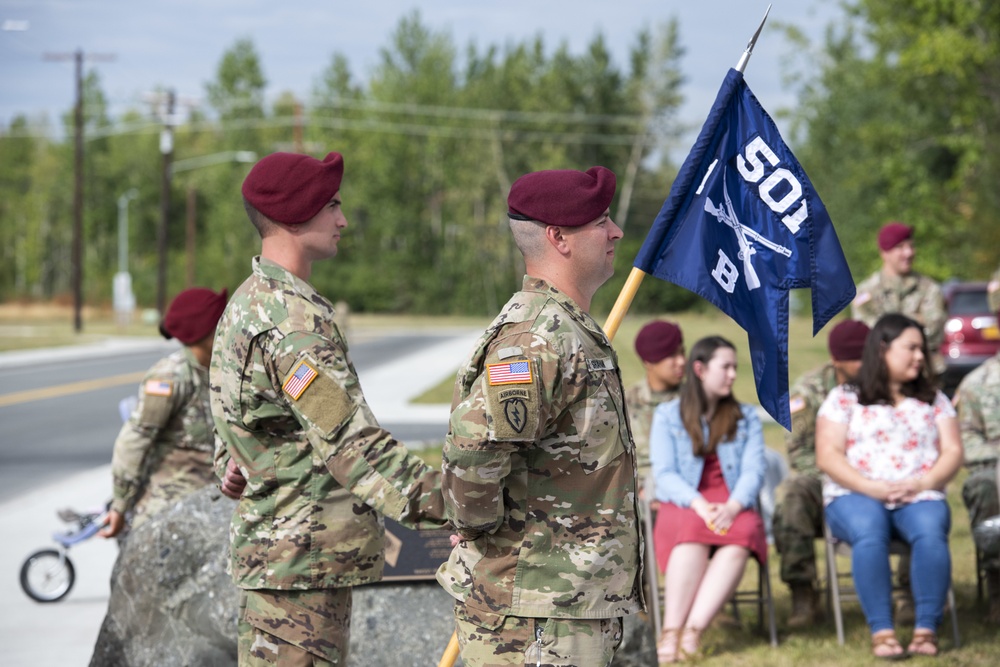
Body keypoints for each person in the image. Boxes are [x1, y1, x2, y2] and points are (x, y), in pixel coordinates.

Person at [211, 151, 448, 666]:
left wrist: (233, 464)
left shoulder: (248, 302)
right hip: (302, 565)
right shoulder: (292, 324)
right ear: (298, 215)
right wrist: (453, 502)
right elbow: (351, 445)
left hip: (282, 560)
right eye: (332, 206)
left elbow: (236, 421)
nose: (342, 220)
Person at [436, 166, 643, 667]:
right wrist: (478, 524)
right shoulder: (537, 338)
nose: (615, 232)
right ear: (559, 238)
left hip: (561, 602)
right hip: (536, 611)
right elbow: (473, 448)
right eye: (602, 221)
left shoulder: (564, 328)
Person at [816, 313, 963, 659]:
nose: (919, 357)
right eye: (911, 348)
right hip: (855, 494)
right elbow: (828, 455)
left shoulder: (934, 399)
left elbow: (953, 450)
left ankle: (926, 628)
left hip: (920, 493)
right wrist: (873, 488)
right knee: (869, 529)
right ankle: (882, 630)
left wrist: (924, 482)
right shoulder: (845, 397)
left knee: (929, 528)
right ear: (883, 349)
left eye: (922, 350)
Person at [649, 335, 767, 663]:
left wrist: (732, 506)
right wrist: (699, 504)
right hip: (687, 501)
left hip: (731, 502)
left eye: (735, 368)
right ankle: (671, 631)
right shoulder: (668, 415)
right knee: (690, 532)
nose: (732, 374)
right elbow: (665, 473)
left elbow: (753, 471)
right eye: (725, 367)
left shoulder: (746, 417)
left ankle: (693, 631)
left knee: (742, 534)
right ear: (700, 369)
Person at [99, 287, 228, 539]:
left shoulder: (221, 369)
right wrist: (120, 505)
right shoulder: (170, 377)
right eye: (220, 321)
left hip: (213, 507)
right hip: (169, 513)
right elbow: (134, 440)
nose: (229, 325)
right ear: (202, 330)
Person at [772, 318, 870, 628]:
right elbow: (800, 454)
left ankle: (909, 590)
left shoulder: (886, 382)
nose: (865, 362)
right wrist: (844, 473)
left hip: (880, 476)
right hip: (825, 478)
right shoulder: (810, 390)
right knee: (793, 493)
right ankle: (803, 590)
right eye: (856, 357)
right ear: (836, 359)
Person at [852, 222, 946, 376]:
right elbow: (868, 337)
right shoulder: (866, 293)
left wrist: (889, 330)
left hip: (924, 375)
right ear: (884, 252)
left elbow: (935, 333)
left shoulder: (929, 289)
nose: (908, 253)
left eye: (911, 246)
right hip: (881, 375)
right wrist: (916, 322)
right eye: (900, 247)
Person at [954, 321, 1000, 624]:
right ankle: (998, 589)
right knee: (985, 488)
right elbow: (966, 441)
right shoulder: (977, 383)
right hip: (993, 470)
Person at [625, 319, 685, 481]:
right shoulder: (625, 403)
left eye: (682, 352)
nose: (681, 361)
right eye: (672, 355)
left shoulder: (696, 399)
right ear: (649, 361)